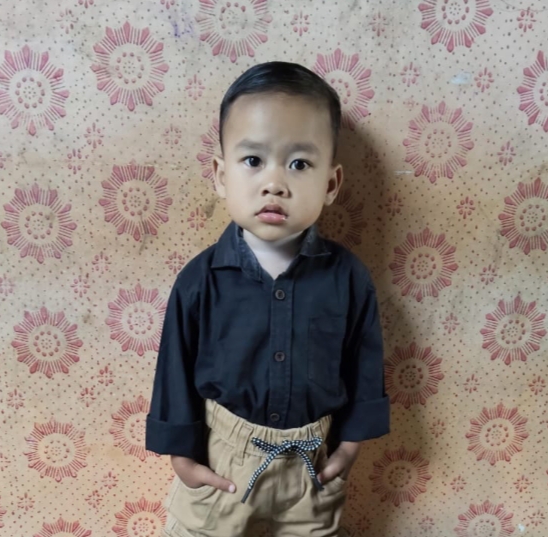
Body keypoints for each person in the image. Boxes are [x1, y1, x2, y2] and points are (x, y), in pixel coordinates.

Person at [146, 61, 390, 537]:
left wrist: (349, 447)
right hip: (223, 460)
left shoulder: (348, 278)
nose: (274, 182)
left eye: (299, 164)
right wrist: (182, 457)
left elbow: (364, 363)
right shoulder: (199, 281)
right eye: (253, 160)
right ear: (221, 176)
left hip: (310, 467)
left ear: (331, 184)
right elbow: (174, 367)